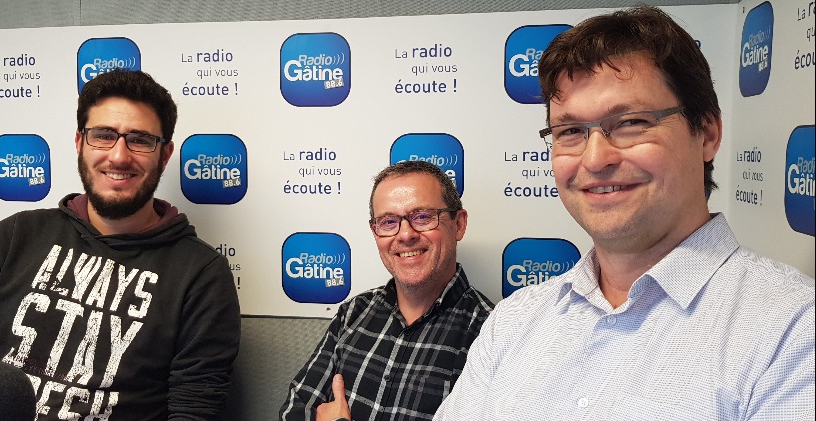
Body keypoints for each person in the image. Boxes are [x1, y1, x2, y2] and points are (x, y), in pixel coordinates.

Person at [435, 6, 814, 420]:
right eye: (570, 131)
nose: (595, 158)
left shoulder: (791, 330)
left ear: (706, 134)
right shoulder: (513, 321)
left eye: (631, 122)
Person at [0, 69, 241, 420]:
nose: (119, 156)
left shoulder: (201, 274)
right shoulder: (15, 235)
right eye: (103, 135)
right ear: (80, 143)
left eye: (140, 140)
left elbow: (194, 407)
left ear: (164, 155)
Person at [279, 161, 494, 421]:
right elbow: (295, 409)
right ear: (375, 232)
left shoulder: (492, 333)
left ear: (458, 224)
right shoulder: (354, 312)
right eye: (389, 221)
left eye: (422, 217)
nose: (405, 235)